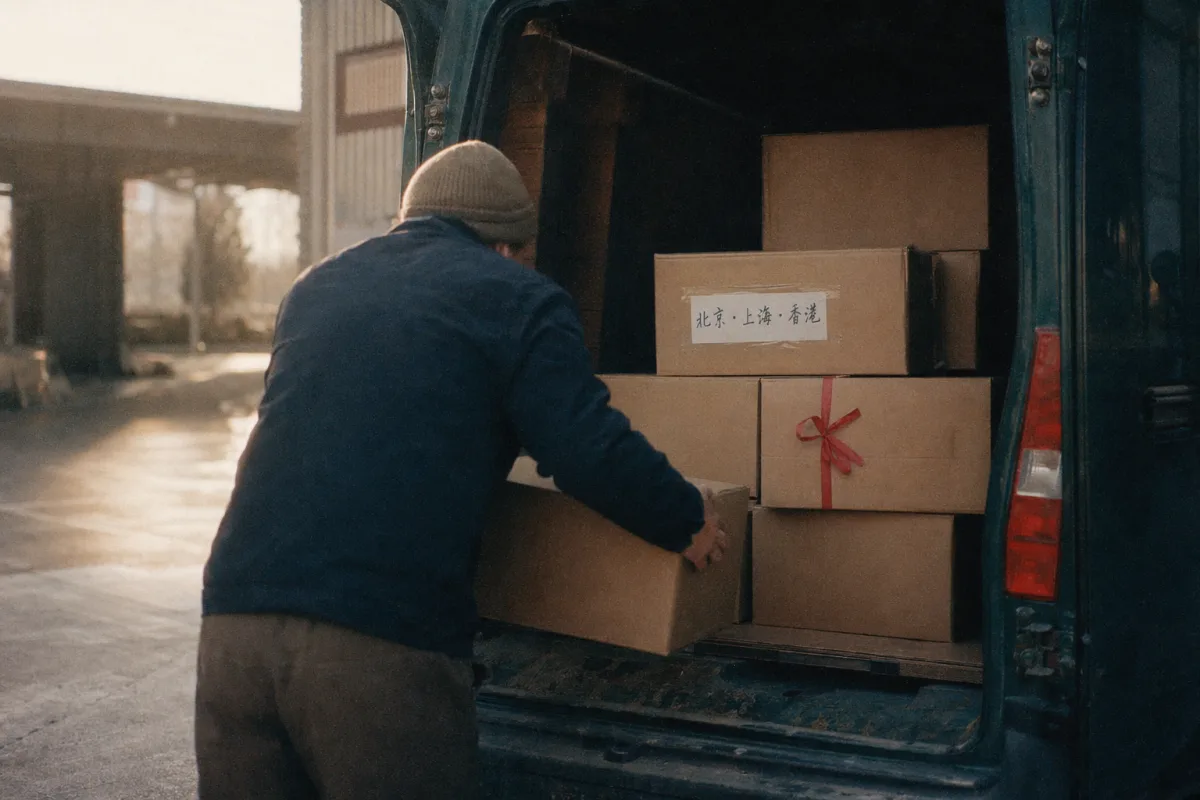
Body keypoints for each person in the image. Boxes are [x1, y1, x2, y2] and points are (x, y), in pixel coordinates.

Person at [194, 140, 728, 800]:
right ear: (505, 246)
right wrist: (686, 519)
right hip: (377, 646)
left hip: (232, 630)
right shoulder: (519, 299)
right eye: (525, 256)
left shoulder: (316, 287)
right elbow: (585, 449)